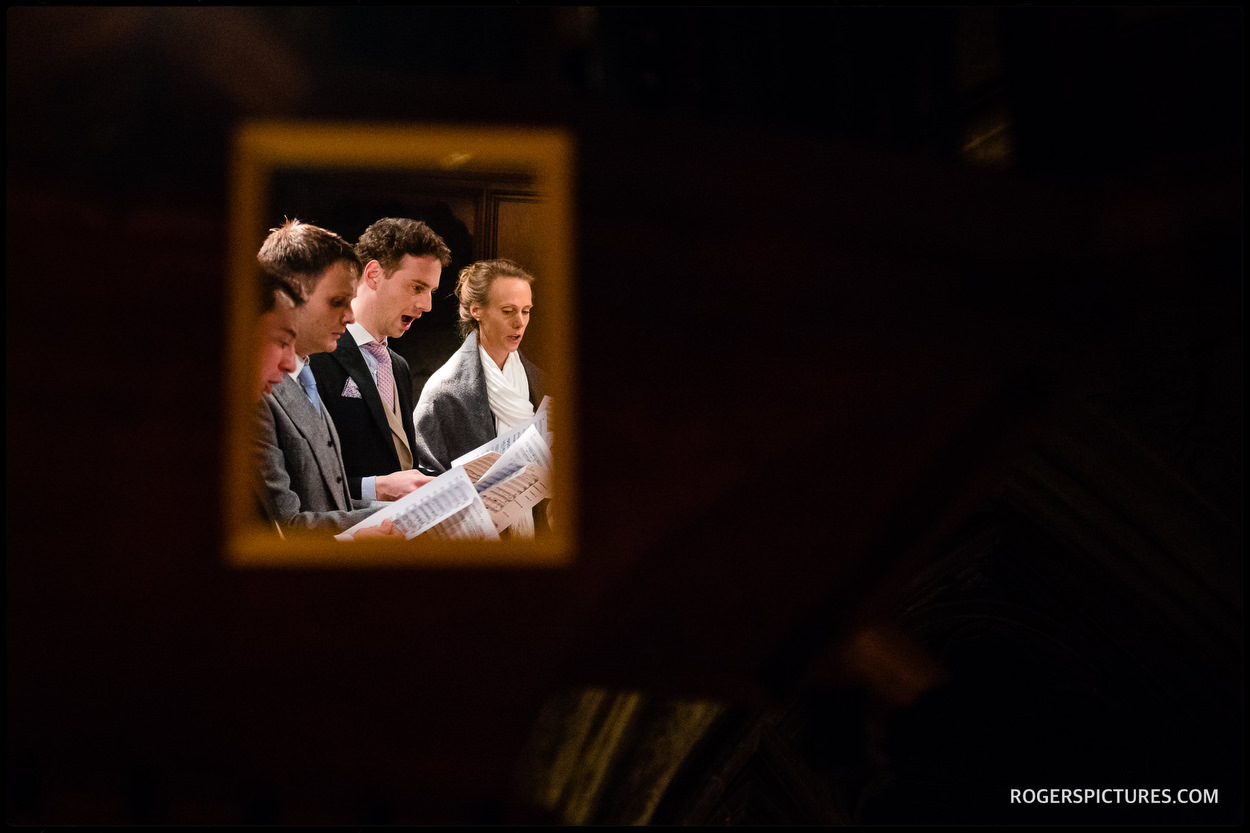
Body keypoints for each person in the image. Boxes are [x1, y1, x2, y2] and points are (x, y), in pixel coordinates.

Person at [254, 219, 393, 535]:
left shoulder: (308, 372)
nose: (351, 316)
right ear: (293, 292)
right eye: (337, 302)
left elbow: (335, 503)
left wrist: (406, 508)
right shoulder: (257, 393)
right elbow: (285, 525)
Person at [309, 217, 451, 501]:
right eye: (417, 287)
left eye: (431, 292)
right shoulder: (315, 355)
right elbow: (307, 483)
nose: (427, 305)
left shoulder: (399, 366)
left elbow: (401, 467)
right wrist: (375, 488)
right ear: (373, 274)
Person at [412, 259, 548, 537]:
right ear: (477, 310)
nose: (520, 321)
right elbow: (424, 487)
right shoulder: (444, 392)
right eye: (508, 310)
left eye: (526, 311)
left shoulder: (541, 382)